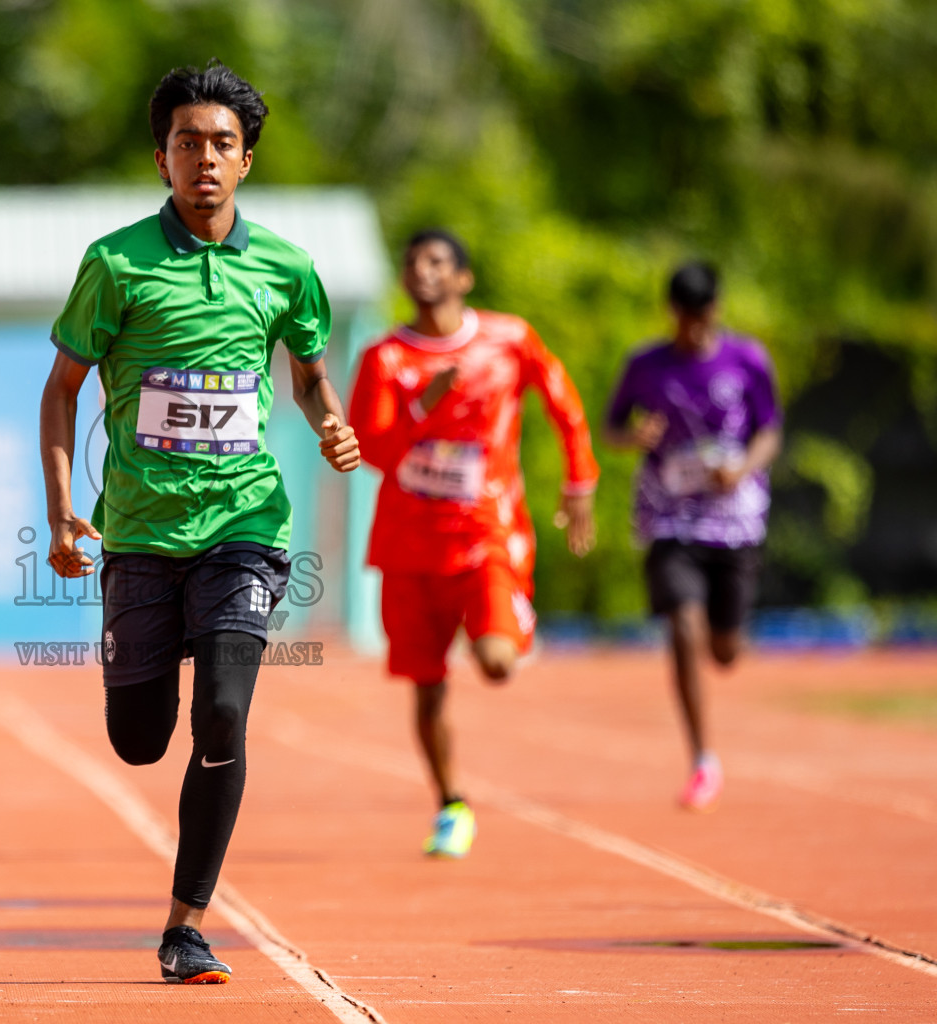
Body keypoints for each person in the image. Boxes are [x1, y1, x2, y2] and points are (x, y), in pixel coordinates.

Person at [40, 60, 360, 985]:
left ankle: (186, 925)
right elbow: (62, 391)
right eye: (189, 144)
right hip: (139, 535)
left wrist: (329, 420)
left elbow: (307, 370)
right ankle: (151, 668)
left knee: (224, 713)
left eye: (222, 144)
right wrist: (63, 511)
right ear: (162, 158)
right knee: (140, 738)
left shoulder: (287, 269)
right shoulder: (115, 263)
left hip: (245, 526)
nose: (205, 160)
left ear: (247, 160)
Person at [349, 229, 599, 858]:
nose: (421, 272)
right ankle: (451, 804)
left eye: (436, 262)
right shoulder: (386, 359)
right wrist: (420, 409)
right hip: (409, 546)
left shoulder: (509, 339)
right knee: (427, 687)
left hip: (487, 533)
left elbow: (563, 403)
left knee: (495, 663)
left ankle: (510, 614)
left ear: (463, 278)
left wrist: (580, 481)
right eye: (411, 264)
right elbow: (370, 450)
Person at [604, 262, 781, 812]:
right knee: (682, 623)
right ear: (672, 313)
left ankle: (721, 634)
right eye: (685, 318)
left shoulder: (748, 360)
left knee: (724, 651)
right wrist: (633, 436)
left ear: (716, 310)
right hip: (668, 516)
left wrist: (744, 466)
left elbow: (770, 431)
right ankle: (702, 758)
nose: (695, 329)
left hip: (733, 520)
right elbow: (611, 429)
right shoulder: (645, 364)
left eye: (704, 317)